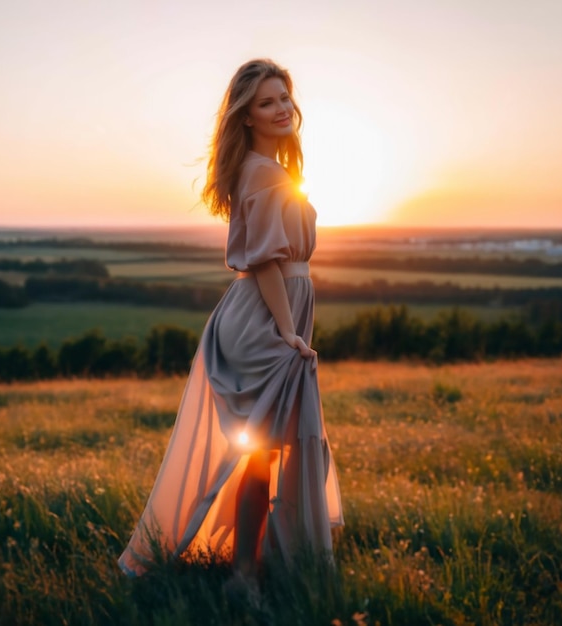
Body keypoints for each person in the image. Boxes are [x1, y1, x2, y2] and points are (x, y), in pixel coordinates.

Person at [118, 58, 343, 581]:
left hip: (269, 310)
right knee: (262, 450)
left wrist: (290, 322)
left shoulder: (268, 169)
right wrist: (287, 330)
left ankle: (254, 564)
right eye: (267, 102)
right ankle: (245, 576)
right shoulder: (263, 173)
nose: (282, 108)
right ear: (247, 116)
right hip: (265, 317)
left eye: (284, 97)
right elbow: (266, 259)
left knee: (266, 449)